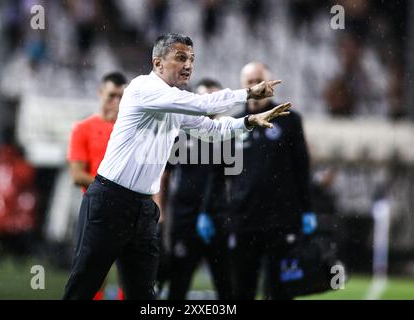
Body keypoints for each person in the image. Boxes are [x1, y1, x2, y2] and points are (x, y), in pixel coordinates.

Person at [63, 33, 291, 300]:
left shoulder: (174, 102)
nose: (189, 65)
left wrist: (249, 121)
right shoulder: (142, 88)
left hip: (143, 207)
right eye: (181, 57)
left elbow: (213, 130)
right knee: (84, 287)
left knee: (145, 295)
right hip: (110, 200)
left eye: (192, 59)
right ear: (158, 63)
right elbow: (203, 103)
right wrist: (249, 93)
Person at [226, 62, 313, 300]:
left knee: (280, 292)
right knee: (242, 291)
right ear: (243, 85)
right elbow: (219, 173)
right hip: (244, 220)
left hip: (282, 220)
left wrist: (307, 210)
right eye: (249, 82)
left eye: (259, 80)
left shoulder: (289, 119)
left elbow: (302, 166)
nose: (255, 86)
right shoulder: (234, 123)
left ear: (270, 85)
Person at [165, 78, 233, 299]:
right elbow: (164, 173)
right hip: (185, 218)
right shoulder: (180, 133)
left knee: (226, 284)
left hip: (217, 219)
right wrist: (160, 210)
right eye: (206, 97)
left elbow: (235, 178)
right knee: (179, 282)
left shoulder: (228, 135)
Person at [67, 72, 127, 300]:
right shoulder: (83, 128)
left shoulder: (128, 129)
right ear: (100, 93)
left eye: (122, 97)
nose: (117, 102)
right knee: (92, 277)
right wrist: (115, 189)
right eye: (112, 95)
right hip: (96, 211)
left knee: (130, 276)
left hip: (127, 211)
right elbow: (76, 175)